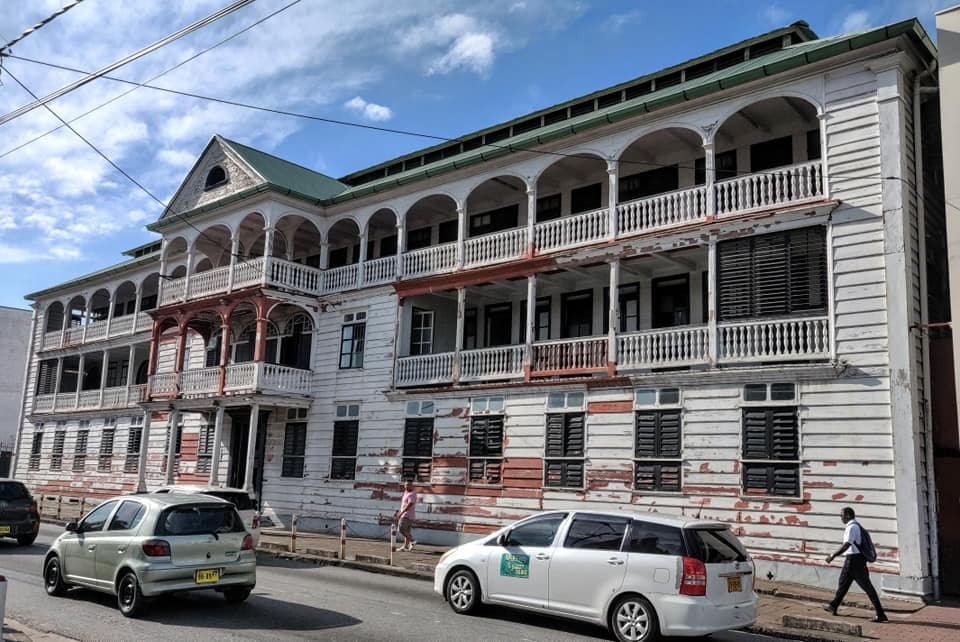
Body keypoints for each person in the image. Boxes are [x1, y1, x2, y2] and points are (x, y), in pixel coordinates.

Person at [823, 507, 887, 623]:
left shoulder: (852, 527)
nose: (840, 517)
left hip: (854, 561)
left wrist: (832, 555)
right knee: (843, 583)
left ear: (847, 515)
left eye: (841, 515)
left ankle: (881, 614)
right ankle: (833, 606)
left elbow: (846, 545)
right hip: (855, 560)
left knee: (867, 587)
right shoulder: (856, 526)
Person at [395, 479, 417, 551]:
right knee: (407, 531)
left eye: (409, 485)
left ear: (412, 486)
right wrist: (399, 511)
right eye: (406, 484)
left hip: (407, 515)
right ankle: (405, 546)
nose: (407, 486)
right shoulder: (406, 492)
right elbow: (404, 504)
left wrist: (401, 513)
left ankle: (412, 541)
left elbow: (409, 504)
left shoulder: (412, 494)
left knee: (401, 529)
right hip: (405, 514)